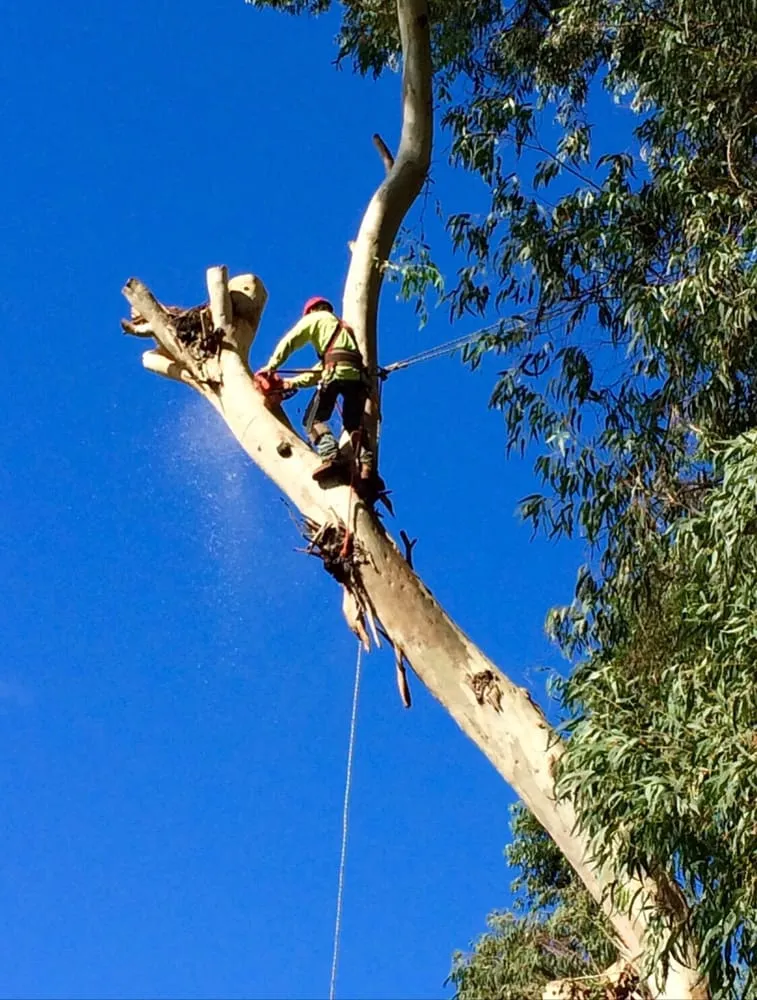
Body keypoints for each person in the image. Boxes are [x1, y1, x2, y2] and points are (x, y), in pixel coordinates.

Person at [257, 297, 375, 487]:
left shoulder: (315, 318)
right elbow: (319, 371)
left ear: (311, 310)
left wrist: (271, 366)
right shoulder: (344, 330)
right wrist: (290, 383)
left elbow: (290, 341)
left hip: (335, 374)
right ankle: (367, 468)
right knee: (353, 424)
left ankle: (332, 456)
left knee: (312, 420)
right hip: (358, 379)